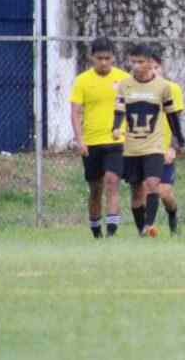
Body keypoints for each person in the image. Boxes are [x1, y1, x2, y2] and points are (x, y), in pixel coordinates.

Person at [112, 44, 183, 238]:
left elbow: (174, 117)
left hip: (157, 147)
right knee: (137, 192)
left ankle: (157, 222)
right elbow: (119, 110)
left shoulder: (167, 88)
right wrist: (116, 127)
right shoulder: (125, 85)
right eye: (133, 62)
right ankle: (142, 230)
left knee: (160, 189)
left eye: (140, 62)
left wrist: (175, 144)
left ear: (152, 64)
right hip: (133, 148)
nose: (136, 66)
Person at [69, 38, 128, 238]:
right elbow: (76, 112)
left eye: (108, 58)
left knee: (112, 181)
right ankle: (96, 230)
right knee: (95, 188)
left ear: (113, 58)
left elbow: (133, 108)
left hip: (117, 140)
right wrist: (80, 140)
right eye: (100, 58)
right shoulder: (82, 81)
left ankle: (112, 231)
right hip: (92, 142)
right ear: (92, 58)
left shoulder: (124, 79)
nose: (104, 62)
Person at [149, 51, 185, 236]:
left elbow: (175, 121)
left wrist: (172, 147)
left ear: (161, 68)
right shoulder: (137, 90)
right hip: (144, 150)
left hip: (164, 151)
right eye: (149, 68)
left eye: (156, 67)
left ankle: (173, 215)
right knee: (146, 191)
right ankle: (146, 229)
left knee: (164, 193)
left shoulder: (172, 89)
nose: (153, 72)